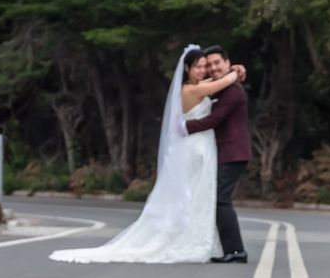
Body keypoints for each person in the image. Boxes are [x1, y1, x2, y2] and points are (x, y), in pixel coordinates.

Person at [49, 45, 241, 264]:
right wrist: (236, 70)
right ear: (187, 68)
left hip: (200, 146)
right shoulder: (191, 90)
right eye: (198, 67)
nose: (203, 71)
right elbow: (224, 82)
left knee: (199, 195)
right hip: (196, 148)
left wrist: (231, 72)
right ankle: (188, 240)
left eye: (205, 67)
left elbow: (213, 83)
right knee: (194, 194)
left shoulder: (195, 86)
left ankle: (197, 238)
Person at [183, 45, 252, 264]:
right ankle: (232, 250)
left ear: (226, 62)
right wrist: (237, 70)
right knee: (218, 200)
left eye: (216, 63)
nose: (212, 68)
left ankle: (236, 251)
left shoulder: (233, 91)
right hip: (224, 152)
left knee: (221, 200)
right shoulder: (221, 87)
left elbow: (214, 120)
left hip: (234, 152)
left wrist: (181, 127)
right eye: (208, 64)